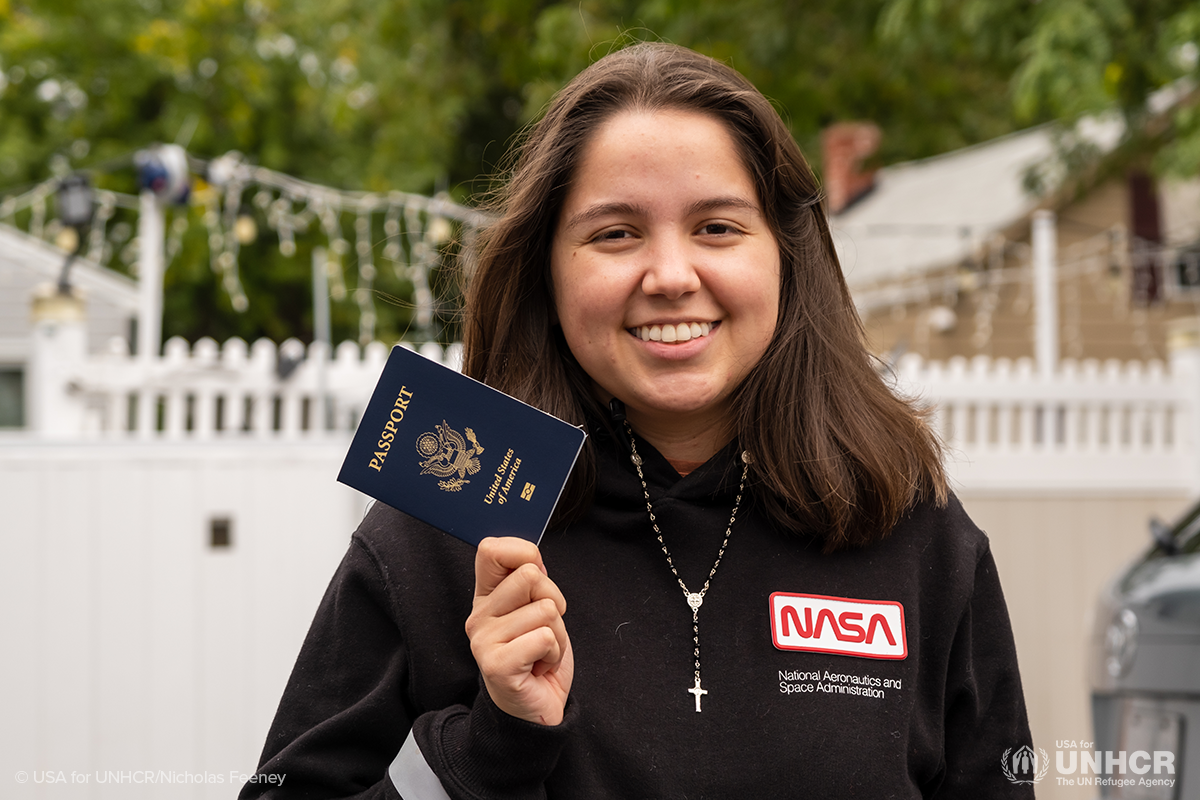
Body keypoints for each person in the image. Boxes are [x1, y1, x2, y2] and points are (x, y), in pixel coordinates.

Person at [242, 42, 1034, 799]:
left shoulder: (913, 531)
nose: (670, 275)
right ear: (547, 269)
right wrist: (489, 747)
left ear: (787, 256)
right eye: (615, 233)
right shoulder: (442, 531)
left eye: (717, 227)